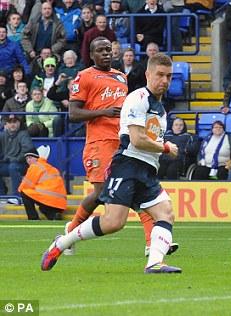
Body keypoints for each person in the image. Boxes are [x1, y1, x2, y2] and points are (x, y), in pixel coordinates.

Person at [42, 53, 183, 274]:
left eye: (169, 76)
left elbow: (149, 139)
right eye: (160, 75)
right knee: (113, 222)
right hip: (127, 166)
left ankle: (155, 263)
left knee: (165, 212)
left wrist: (160, 148)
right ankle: (61, 243)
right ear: (148, 74)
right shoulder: (139, 98)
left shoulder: (160, 108)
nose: (164, 81)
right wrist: (165, 147)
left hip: (146, 170)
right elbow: (137, 140)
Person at [64, 37, 173, 257]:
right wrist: (102, 112)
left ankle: (152, 243)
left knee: (136, 191)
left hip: (122, 142)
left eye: (109, 50)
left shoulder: (121, 77)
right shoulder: (84, 77)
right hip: (99, 143)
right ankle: (70, 230)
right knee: (101, 192)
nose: (106, 53)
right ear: (92, 55)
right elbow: (73, 114)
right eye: (100, 50)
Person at [19, 146, 67, 220]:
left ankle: (33, 218)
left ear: (37, 158)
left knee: (24, 192)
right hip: (60, 203)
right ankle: (54, 215)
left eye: (30, 157)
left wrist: (19, 190)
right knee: (43, 208)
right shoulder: (52, 168)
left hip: (48, 200)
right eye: (27, 158)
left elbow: (26, 185)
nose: (28, 160)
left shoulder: (35, 166)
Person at [0, 116, 33, 196]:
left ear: (19, 123)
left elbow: (28, 149)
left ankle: (17, 195)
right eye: (10, 122)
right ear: (6, 124)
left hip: (22, 164)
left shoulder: (24, 134)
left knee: (13, 167)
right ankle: (2, 193)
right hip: (7, 164)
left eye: (15, 122)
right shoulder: (2, 135)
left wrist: (16, 159)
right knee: (10, 166)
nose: (12, 124)